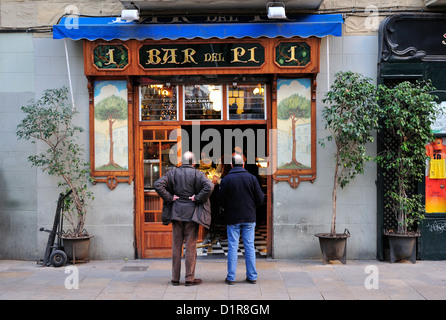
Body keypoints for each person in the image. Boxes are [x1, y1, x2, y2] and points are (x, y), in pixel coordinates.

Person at [154, 151, 214, 286]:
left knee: (176, 247)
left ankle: (175, 278)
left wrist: (170, 197)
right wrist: (197, 198)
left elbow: (158, 184)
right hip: (192, 215)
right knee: (190, 247)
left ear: (181, 162)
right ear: (193, 162)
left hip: (176, 213)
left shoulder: (172, 173)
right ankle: (189, 278)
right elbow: (209, 186)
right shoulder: (198, 174)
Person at [217, 153, 265, 285]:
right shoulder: (252, 178)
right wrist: (251, 207)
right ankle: (252, 276)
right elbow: (260, 198)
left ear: (231, 165)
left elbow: (220, 200)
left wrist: (228, 207)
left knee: (233, 246)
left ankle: (231, 277)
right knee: (249, 246)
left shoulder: (227, 180)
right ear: (243, 164)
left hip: (233, 218)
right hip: (249, 217)